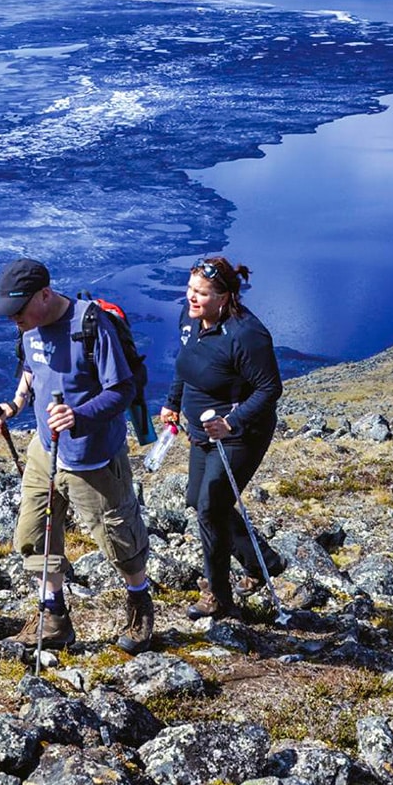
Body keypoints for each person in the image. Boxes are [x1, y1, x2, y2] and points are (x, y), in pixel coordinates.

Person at [0, 258, 154, 653]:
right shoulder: (29, 327)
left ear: (45, 295)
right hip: (44, 450)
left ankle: (139, 604)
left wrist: (78, 417)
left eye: (19, 310)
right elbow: (31, 368)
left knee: (119, 538)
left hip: (92, 457)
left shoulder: (91, 326)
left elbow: (121, 390)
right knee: (35, 533)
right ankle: (53, 617)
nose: (14, 320)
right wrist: (14, 405)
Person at [158, 256, 285, 622]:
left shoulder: (247, 334)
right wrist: (172, 402)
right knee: (199, 502)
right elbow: (187, 361)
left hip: (241, 434)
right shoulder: (192, 318)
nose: (191, 298)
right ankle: (263, 562)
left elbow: (269, 388)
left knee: (211, 506)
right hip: (201, 431)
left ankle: (218, 597)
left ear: (225, 296)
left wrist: (232, 421)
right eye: (190, 289)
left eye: (201, 293)